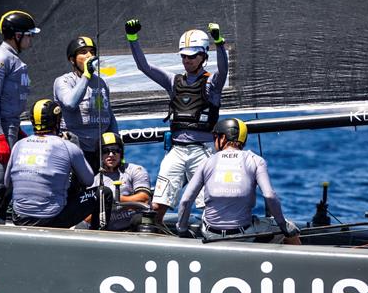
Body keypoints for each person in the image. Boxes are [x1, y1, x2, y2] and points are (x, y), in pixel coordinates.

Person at [124, 18, 229, 222]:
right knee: (157, 204)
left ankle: (215, 237)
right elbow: (143, 66)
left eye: (191, 56)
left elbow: (224, 70)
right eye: (183, 56)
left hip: (203, 152)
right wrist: (132, 38)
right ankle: (154, 235)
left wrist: (219, 42)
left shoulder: (213, 83)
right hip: (177, 151)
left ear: (203, 55)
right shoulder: (173, 81)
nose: (186, 60)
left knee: (209, 204)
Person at [176, 118, 301, 244]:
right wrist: (284, 226)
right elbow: (269, 195)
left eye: (215, 137)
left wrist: (182, 230)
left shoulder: (206, 162)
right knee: (291, 229)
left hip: (210, 234)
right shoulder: (255, 160)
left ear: (223, 138)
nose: (214, 141)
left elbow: (186, 200)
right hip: (244, 234)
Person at [5, 99, 112, 229]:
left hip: (19, 218)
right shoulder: (68, 146)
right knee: (103, 193)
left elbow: (7, 182)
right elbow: (88, 180)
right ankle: (96, 243)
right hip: (52, 219)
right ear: (57, 121)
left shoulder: (18, 145)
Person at [0, 10, 40, 222]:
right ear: (17, 35)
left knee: (5, 184)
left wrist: (17, 129)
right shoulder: (1, 58)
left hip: (9, 126)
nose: (31, 39)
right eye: (29, 34)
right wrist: (0, 137)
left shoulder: (11, 58)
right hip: (1, 128)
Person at [53, 36, 119, 172]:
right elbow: (70, 103)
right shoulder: (63, 81)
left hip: (99, 152)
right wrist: (86, 76)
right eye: (83, 52)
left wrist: (117, 145)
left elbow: (110, 115)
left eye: (92, 52)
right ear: (72, 60)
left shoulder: (102, 82)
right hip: (74, 150)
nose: (89, 55)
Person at [91, 131, 152, 231]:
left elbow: (144, 199)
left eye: (115, 150)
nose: (111, 154)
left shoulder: (135, 170)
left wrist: (115, 199)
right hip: (109, 232)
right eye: (106, 151)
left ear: (121, 153)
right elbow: (87, 217)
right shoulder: (94, 181)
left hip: (134, 228)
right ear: (100, 154)